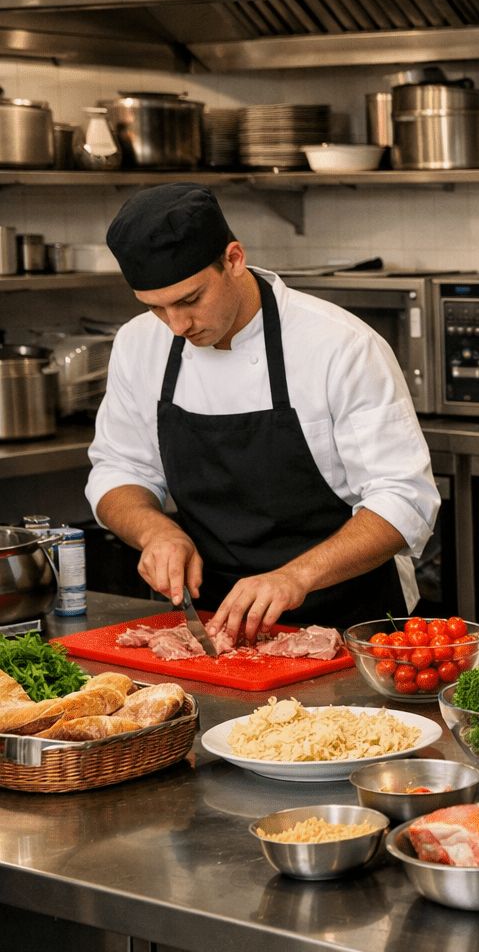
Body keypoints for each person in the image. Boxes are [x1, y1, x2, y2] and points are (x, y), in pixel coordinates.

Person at [87, 183, 439, 642]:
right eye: (156, 307)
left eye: (190, 300)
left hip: (350, 620)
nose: (177, 325)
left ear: (233, 259)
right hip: (212, 625)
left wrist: (294, 577)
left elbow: (404, 499)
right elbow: (118, 468)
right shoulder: (138, 344)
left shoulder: (340, 346)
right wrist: (154, 531)